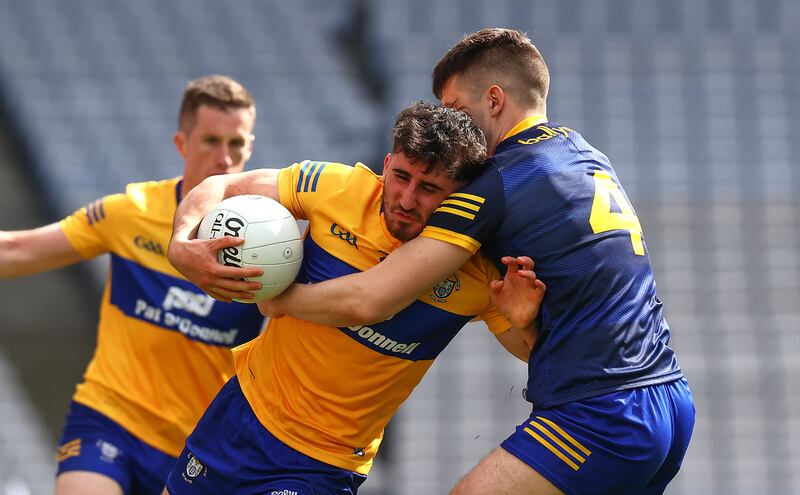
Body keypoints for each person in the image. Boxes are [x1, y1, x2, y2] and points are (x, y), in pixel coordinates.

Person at [191, 29, 696, 494]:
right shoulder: (585, 156)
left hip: (604, 407)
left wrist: (280, 300)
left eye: (456, 106)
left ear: (494, 99)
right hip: (669, 399)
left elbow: (372, 297)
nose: (452, 123)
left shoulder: (494, 182)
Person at [164, 101, 544, 494]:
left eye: (429, 188)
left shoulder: (476, 273)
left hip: (322, 464)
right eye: (400, 176)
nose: (407, 199)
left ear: (461, 195)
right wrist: (181, 242)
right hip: (240, 414)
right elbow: (221, 186)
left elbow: (530, 350)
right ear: (386, 163)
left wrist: (522, 320)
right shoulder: (333, 187)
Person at [0, 75, 266, 495]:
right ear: (181, 144)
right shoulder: (130, 213)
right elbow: (16, 250)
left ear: (250, 147)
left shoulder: (268, 244)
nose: (224, 157)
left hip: (197, 449)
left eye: (236, 143)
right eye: (210, 141)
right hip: (109, 419)